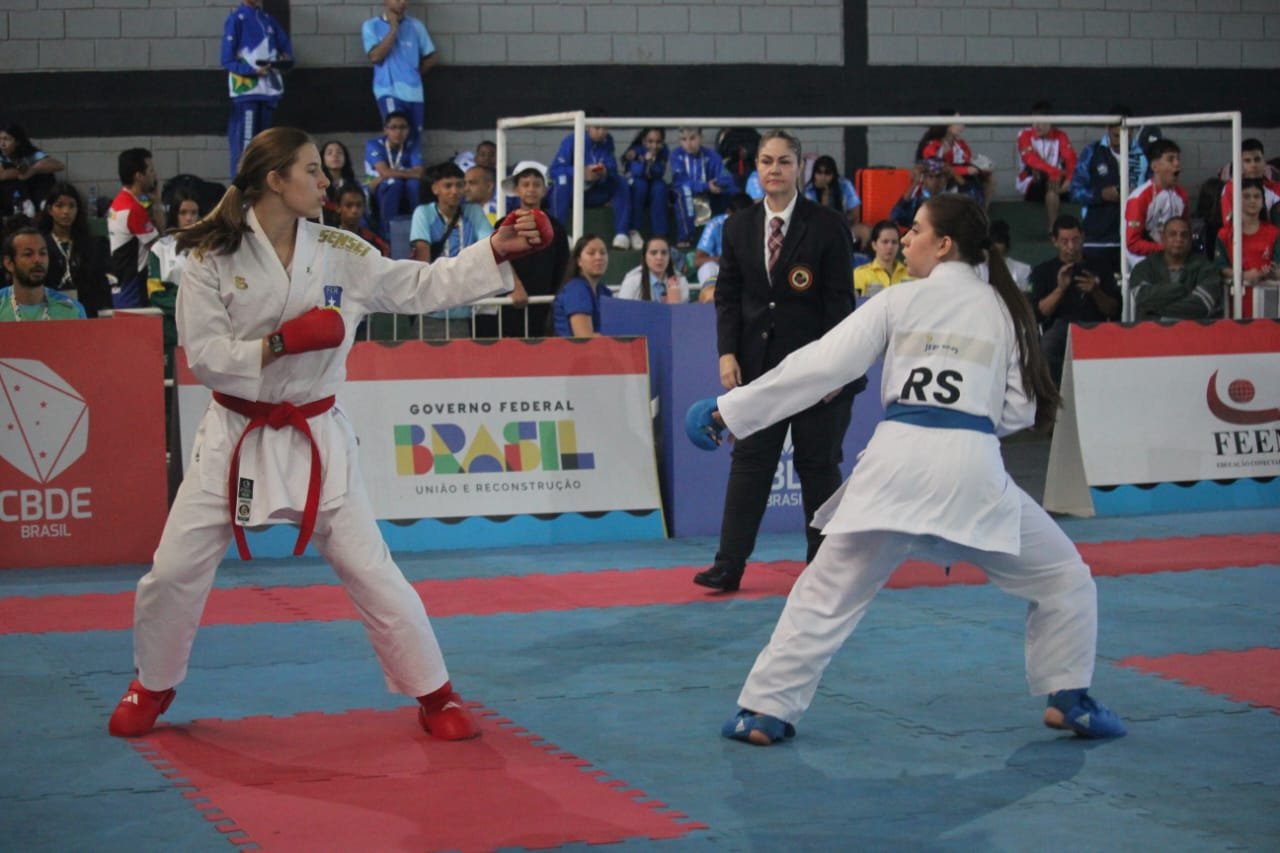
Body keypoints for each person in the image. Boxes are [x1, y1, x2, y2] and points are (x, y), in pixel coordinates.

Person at [104, 126, 550, 742]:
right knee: (173, 570)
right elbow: (203, 356)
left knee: (373, 571)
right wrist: (281, 342)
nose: (325, 181)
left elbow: (417, 287)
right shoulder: (207, 255)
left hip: (316, 431)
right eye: (311, 171)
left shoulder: (343, 249)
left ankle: (436, 694)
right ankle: (151, 685)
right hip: (235, 429)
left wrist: (495, 251)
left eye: (323, 170)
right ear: (274, 180)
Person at [694, 193, 1125, 746]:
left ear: (944, 245)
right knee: (1064, 578)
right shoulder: (1005, 309)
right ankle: (1070, 698)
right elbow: (1017, 409)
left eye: (917, 230)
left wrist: (730, 410)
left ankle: (764, 712)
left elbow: (822, 365)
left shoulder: (898, 301)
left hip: (894, 464)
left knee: (825, 592)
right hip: (971, 467)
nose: (908, 239)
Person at [694, 129, 860, 594]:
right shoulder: (739, 225)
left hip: (816, 368)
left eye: (783, 162)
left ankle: (823, 568)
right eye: (766, 161)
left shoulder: (826, 225)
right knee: (749, 462)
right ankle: (728, 565)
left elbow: (839, 304)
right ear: (757, 169)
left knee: (818, 465)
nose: (774, 170)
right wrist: (727, 351)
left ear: (799, 167)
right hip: (757, 367)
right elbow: (727, 296)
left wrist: (835, 371)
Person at [1030, 215, 1120, 387]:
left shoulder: (1101, 267)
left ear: (1083, 237)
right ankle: (1051, 402)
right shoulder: (1043, 271)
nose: (1071, 247)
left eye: (1075, 240)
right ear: (1054, 241)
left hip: (1095, 326)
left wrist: (1095, 291)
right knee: (1047, 347)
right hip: (1060, 327)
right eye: (1064, 241)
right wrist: (1060, 289)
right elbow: (1038, 314)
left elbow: (1113, 310)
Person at [410, 161, 494, 338]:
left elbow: (490, 245)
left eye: (459, 185)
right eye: (448, 186)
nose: (454, 191)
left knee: (461, 363)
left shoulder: (474, 212)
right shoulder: (423, 213)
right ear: (435, 189)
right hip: (433, 308)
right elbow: (422, 251)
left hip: (463, 309)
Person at [221, 0, 293, 175]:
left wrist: (285, 59)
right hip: (247, 94)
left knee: (266, 149)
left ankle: (261, 191)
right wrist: (251, 71)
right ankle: (240, 192)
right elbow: (227, 59)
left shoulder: (269, 19)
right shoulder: (236, 19)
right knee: (246, 147)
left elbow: (287, 50)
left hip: (269, 94)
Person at [501, 161, 569, 338]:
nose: (531, 189)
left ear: (544, 190)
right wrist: (513, 288)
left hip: (545, 306)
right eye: (525, 184)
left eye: (537, 184)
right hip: (510, 306)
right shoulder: (503, 225)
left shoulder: (557, 228)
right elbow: (499, 261)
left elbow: (562, 267)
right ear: (516, 189)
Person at [362, 0, 437, 154]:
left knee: (414, 137)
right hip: (388, 90)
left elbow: (431, 57)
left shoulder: (416, 26)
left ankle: (412, 175)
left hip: (414, 92)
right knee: (395, 133)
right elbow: (376, 57)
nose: (401, 2)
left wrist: (414, 75)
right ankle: (394, 175)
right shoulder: (371, 25)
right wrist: (394, 28)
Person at [548, 116, 631, 251]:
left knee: (620, 181)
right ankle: (559, 234)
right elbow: (554, 170)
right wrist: (581, 172)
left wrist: (604, 172)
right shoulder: (571, 140)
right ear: (587, 127)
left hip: (595, 192)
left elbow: (613, 168)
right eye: (597, 128)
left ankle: (622, 234)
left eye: (604, 128)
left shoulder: (607, 140)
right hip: (572, 196)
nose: (601, 132)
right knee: (562, 181)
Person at [146, 189, 206, 375]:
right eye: (183, 213)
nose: (189, 218)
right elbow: (155, 293)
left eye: (194, 213)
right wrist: (186, 308)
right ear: (175, 215)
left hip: (206, 328)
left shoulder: (211, 246)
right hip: (172, 329)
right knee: (172, 385)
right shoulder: (160, 249)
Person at [36, 183, 111, 318]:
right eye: (59, 206)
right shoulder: (41, 245)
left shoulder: (91, 244)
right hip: (48, 313)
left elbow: (99, 283)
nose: (66, 211)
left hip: (84, 312)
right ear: (49, 209)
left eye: (71, 206)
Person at [1070, 114, 1127, 284]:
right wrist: (1100, 195)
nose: (1122, 141)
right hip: (1097, 239)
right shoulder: (1092, 152)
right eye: (1117, 136)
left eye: (1126, 136)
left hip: (1130, 240)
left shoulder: (1141, 156)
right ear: (1107, 129)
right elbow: (1075, 191)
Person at [1131, 217, 1220, 320]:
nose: (1179, 239)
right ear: (1163, 238)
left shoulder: (1207, 268)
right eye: (1173, 234)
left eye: (1184, 235)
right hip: (1152, 333)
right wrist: (1181, 289)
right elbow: (1142, 298)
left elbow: (1202, 305)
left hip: (1193, 332)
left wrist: (1153, 309)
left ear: (1190, 240)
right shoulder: (1144, 268)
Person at [1214, 179, 1280, 319]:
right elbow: (1220, 267)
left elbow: (1278, 266)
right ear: (1236, 200)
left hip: (1269, 304)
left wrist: (1274, 273)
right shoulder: (1225, 234)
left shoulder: (1274, 233)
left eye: (1257, 196)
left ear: (1263, 202)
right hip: (1235, 302)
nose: (1252, 201)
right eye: (1246, 196)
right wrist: (1243, 276)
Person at [108, 147, 164, 309]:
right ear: (139, 176)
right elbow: (159, 247)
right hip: (132, 289)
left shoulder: (119, 202)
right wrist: (158, 202)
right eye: (151, 170)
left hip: (121, 286)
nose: (155, 175)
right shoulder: (133, 209)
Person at [1124, 138, 1188, 270]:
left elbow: (1186, 230)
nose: (1177, 164)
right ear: (1155, 166)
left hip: (1173, 258)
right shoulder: (1139, 197)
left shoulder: (1182, 195)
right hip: (1142, 262)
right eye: (1170, 159)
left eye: (1178, 159)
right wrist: (1165, 248)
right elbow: (1132, 243)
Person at [1, 226, 87, 321]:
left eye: (42, 253)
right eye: (28, 254)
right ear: (9, 263)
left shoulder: (72, 310)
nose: (38, 260)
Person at [1015, 102, 1077, 231]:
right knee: (1041, 173)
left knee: (1058, 184)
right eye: (1034, 121)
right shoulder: (1024, 134)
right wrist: (1057, 173)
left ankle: (1053, 227)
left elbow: (1071, 159)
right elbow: (1031, 159)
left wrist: (1069, 179)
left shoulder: (1060, 135)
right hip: (1032, 183)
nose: (1036, 126)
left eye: (1042, 122)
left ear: (1051, 122)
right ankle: (1054, 226)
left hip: (1055, 183)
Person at [671, 127, 736, 249]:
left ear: (701, 138)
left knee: (732, 192)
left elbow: (726, 176)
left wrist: (718, 184)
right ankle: (685, 237)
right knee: (683, 192)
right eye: (684, 139)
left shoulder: (711, 155)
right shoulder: (676, 155)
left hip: (709, 192)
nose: (688, 144)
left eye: (692, 138)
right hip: (684, 192)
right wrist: (706, 186)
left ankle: (728, 237)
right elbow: (681, 181)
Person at [364, 111, 423, 239]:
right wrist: (401, 173)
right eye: (393, 127)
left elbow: (420, 173)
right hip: (374, 185)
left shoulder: (412, 144)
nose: (398, 132)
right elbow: (384, 172)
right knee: (393, 184)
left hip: (402, 184)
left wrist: (392, 173)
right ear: (385, 130)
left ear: (408, 130)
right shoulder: (374, 144)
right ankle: (387, 235)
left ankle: (417, 229)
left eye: (402, 127)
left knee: (414, 184)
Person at [916, 118, 994, 210]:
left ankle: (981, 211)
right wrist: (965, 170)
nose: (962, 125)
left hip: (959, 174)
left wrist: (979, 166)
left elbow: (967, 159)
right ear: (948, 126)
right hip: (943, 177)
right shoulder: (933, 146)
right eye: (958, 122)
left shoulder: (960, 143)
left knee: (989, 179)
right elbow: (937, 167)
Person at [551, 234, 611, 337]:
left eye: (603, 253)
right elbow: (584, 337)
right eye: (591, 253)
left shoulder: (604, 291)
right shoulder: (576, 290)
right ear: (579, 261)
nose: (599, 257)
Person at [804, 154, 869, 248]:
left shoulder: (845, 185)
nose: (823, 177)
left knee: (865, 231)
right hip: (818, 230)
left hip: (842, 226)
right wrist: (824, 195)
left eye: (827, 173)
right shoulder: (809, 190)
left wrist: (840, 222)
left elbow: (855, 214)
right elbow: (815, 218)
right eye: (819, 172)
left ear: (833, 175)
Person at [0, 124, 65, 216]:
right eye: (0, 139)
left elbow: (59, 165)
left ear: (17, 142)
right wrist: (21, 173)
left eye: (6, 139)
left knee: (43, 172)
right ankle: (24, 203)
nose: (2, 144)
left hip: (33, 191)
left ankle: (44, 201)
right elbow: (2, 175)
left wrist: (32, 170)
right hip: (11, 196)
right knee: (11, 173)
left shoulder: (29, 153)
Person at [694, 192, 754, 290]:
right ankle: (710, 300)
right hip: (720, 270)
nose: (742, 223)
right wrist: (723, 260)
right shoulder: (715, 224)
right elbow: (697, 261)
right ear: (728, 213)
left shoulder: (759, 224)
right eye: (738, 218)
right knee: (707, 268)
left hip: (746, 273)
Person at [623, 127, 670, 250]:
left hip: (652, 186)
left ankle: (660, 235)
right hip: (637, 185)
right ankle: (634, 231)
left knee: (660, 187)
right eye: (650, 141)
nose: (654, 146)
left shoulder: (664, 151)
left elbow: (659, 172)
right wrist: (644, 161)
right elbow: (635, 172)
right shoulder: (635, 151)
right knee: (640, 185)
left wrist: (653, 163)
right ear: (644, 141)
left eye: (658, 142)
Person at [1220, 139, 1280, 227]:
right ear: (1240, 164)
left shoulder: (1276, 188)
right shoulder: (1231, 188)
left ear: (1264, 162)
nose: (1253, 165)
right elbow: (1229, 225)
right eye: (1247, 161)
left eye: (1257, 160)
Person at [618, 235, 689, 303]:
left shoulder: (680, 281)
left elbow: (683, 313)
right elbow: (623, 311)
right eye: (653, 253)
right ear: (644, 256)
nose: (659, 257)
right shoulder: (632, 281)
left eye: (664, 253)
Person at [852, 219, 910, 297]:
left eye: (894, 242)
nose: (890, 246)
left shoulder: (910, 273)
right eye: (885, 242)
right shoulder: (860, 274)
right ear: (874, 245)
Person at [333, 183, 390, 257]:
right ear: (338, 208)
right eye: (349, 205)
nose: (354, 210)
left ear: (364, 207)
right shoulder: (328, 239)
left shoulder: (374, 241)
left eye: (359, 205)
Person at [890, 157, 949, 228]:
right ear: (924, 179)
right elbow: (896, 216)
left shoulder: (950, 201)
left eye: (938, 176)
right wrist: (915, 183)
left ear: (944, 179)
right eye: (931, 176)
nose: (935, 181)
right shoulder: (916, 202)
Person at [319, 140, 358, 226]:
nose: (335, 155)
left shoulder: (354, 184)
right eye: (330, 153)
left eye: (339, 153)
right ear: (322, 159)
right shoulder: (318, 184)